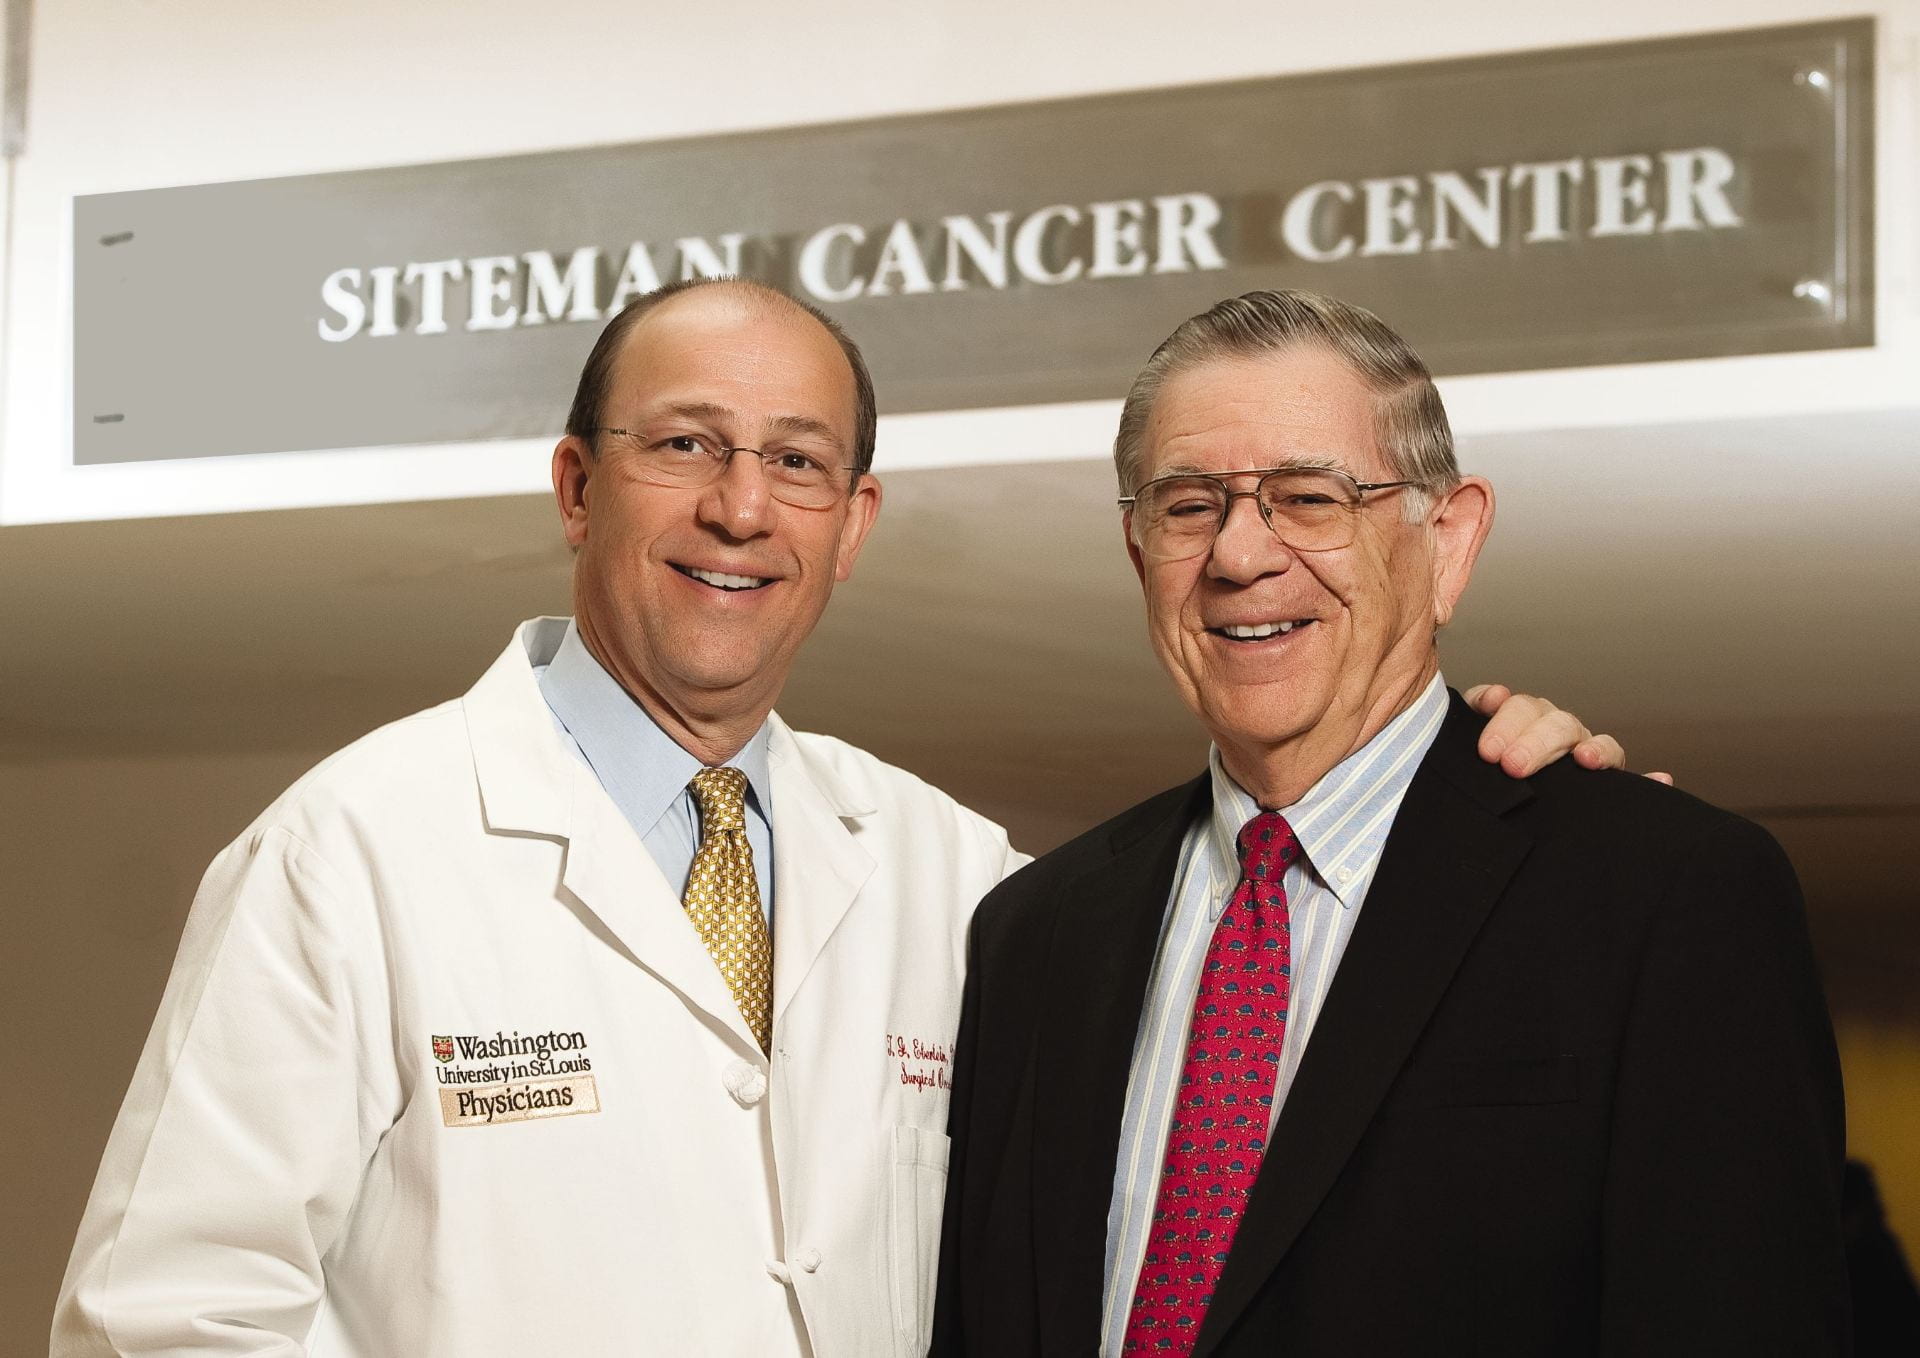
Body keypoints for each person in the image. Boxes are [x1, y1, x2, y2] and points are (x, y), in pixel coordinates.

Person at [53, 279, 1628, 1357]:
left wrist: (1500, 791)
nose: (743, 505)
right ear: (574, 484)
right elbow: (164, 1319)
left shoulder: (969, 884)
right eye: (684, 444)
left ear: (854, 522)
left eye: (797, 462)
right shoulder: (352, 854)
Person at [932, 289, 1850, 1357]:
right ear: (1141, 555)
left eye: (1309, 496)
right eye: (1189, 505)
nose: (1239, 554)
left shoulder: (1662, 897)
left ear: (1448, 540)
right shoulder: (1036, 931)